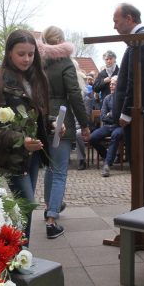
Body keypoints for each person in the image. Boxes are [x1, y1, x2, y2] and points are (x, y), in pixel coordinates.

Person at [0, 30, 55, 241]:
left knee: (23, 207)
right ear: (9, 53)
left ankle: (21, 254)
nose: (27, 59)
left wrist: (51, 125)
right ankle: (18, 254)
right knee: (26, 204)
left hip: (32, 154)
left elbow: (36, 115)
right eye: (21, 54)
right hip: (11, 155)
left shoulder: (36, 79)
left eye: (31, 54)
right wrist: (21, 141)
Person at [111, 3, 144, 250]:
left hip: (139, 113)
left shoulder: (141, 41)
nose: (114, 26)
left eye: (117, 20)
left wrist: (125, 113)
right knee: (143, 164)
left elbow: (137, 80)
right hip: (140, 111)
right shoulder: (142, 40)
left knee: (143, 164)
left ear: (130, 18)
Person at [38, 26, 91, 235]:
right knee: (59, 170)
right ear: (61, 40)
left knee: (50, 168)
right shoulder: (65, 62)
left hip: (41, 118)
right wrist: (84, 124)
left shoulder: (38, 63)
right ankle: (52, 218)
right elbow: (75, 94)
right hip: (61, 119)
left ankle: (50, 206)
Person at [90, 77, 124, 177]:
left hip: (119, 126)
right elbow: (103, 116)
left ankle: (107, 165)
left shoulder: (123, 98)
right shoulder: (107, 98)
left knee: (115, 135)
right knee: (92, 138)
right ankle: (107, 156)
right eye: (110, 84)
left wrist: (111, 115)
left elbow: (121, 116)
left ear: (119, 84)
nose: (111, 86)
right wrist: (111, 116)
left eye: (113, 84)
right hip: (108, 126)